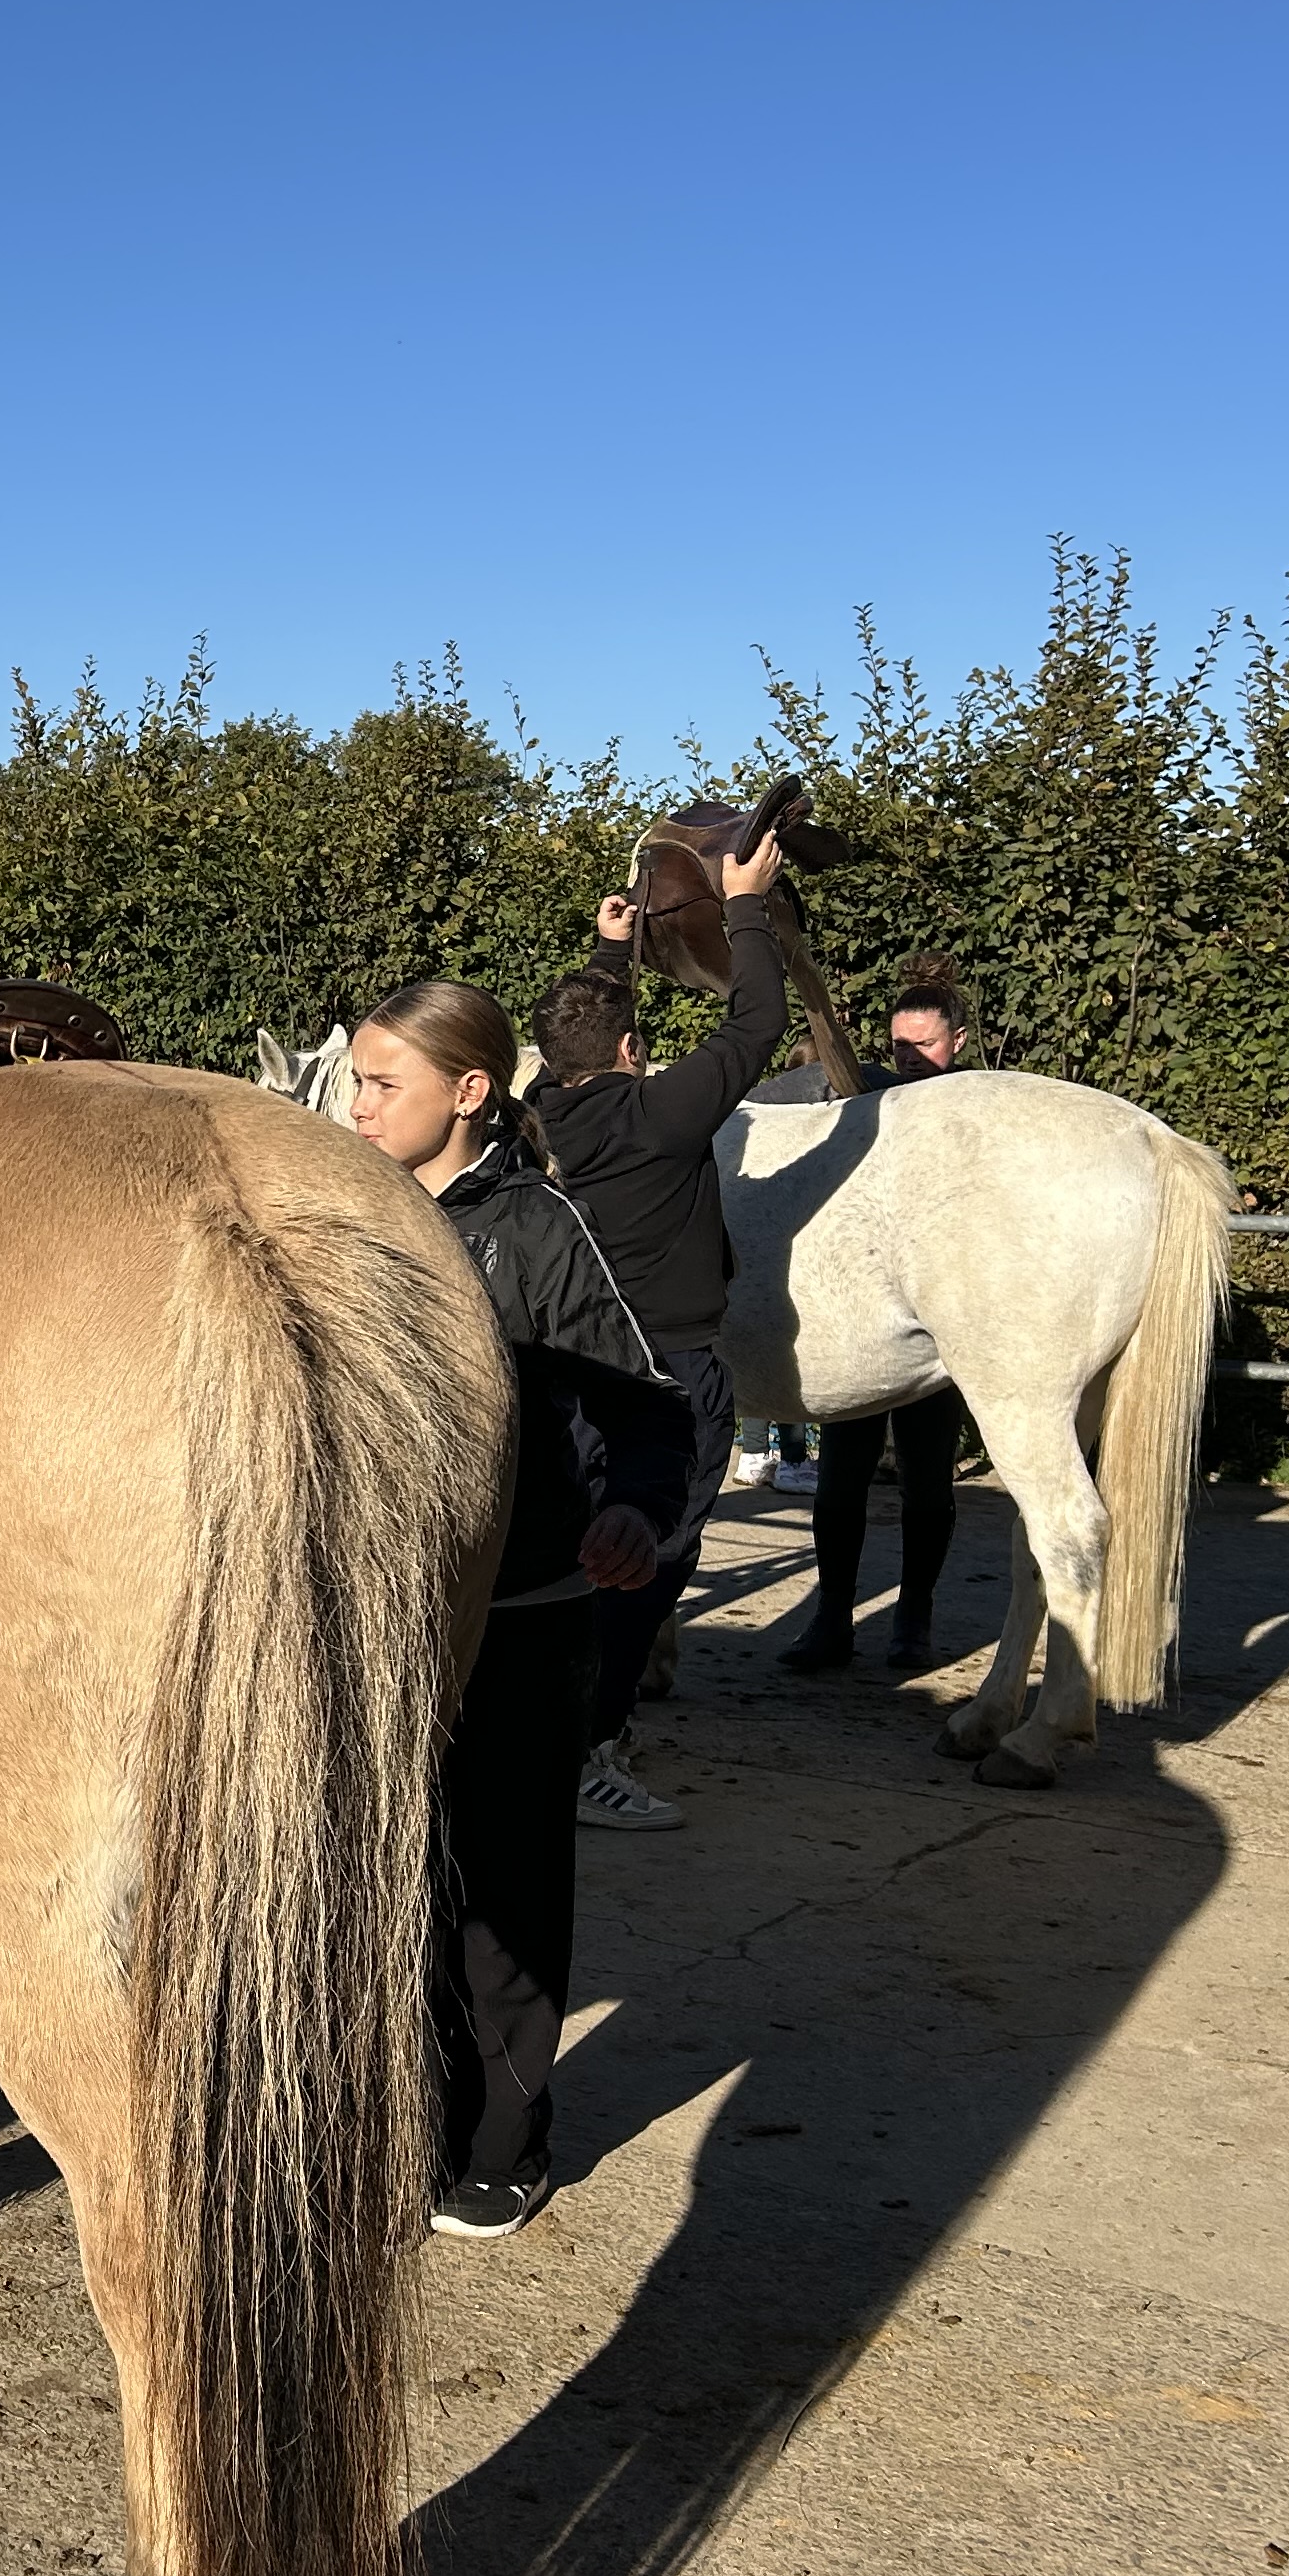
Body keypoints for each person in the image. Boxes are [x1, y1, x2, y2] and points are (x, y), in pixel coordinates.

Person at [351, 982, 691, 2234]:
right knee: (394, 1879)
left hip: (524, 1610)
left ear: (471, 1092)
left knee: (502, 1884)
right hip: (379, 1616)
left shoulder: (540, 1228)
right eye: (358, 1080)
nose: (359, 1104)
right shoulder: (342, 1214)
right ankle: (406, 2122)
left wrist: (633, 1515)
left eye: (386, 1083)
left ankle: (508, 2138)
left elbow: (651, 1405)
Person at [526, 824, 790, 1828]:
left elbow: (581, 1031)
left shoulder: (552, 1105)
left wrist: (610, 950)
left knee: (576, 1543)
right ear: (635, 1054)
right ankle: (594, 1745)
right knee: (656, 1553)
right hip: (670, 1372)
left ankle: (560, 1717)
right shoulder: (661, 1117)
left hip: (578, 1366)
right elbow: (757, 1022)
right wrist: (751, 903)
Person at [762, 966, 978, 1673]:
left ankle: (913, 1618)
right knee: (839, 1478)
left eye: (926, 1043)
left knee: (927, 1483)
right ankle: (831, 1618)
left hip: (945, 1324)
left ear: (960, 1041)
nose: (912, 1055)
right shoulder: (871, 1098)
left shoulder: (981, 1115)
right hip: (862, 1314)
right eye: (900, 1043)